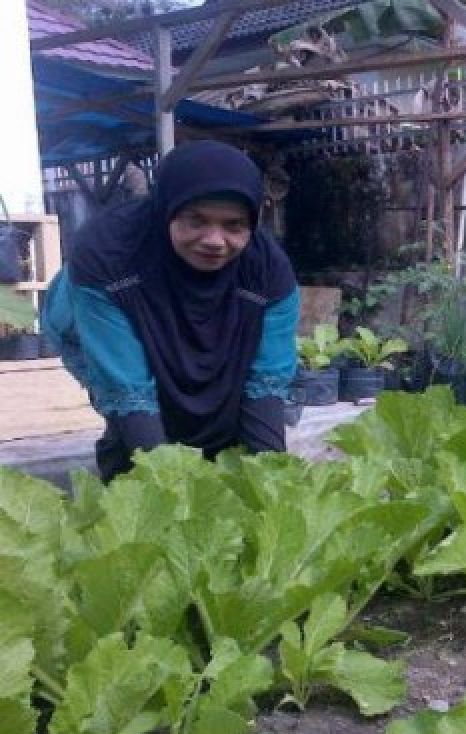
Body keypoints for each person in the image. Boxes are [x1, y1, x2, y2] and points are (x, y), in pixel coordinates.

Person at [42, 140, 300, 481]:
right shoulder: (108, 253)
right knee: (133, 430)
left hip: (212, 320)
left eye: (233, 225)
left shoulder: (268, 272)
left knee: (229, 423)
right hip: (101, 321)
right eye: (196, 220)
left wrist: (274, 485)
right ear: (167, 210)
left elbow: (266, 382)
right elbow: (126, 385)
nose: (215, 240)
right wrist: (172, 497)